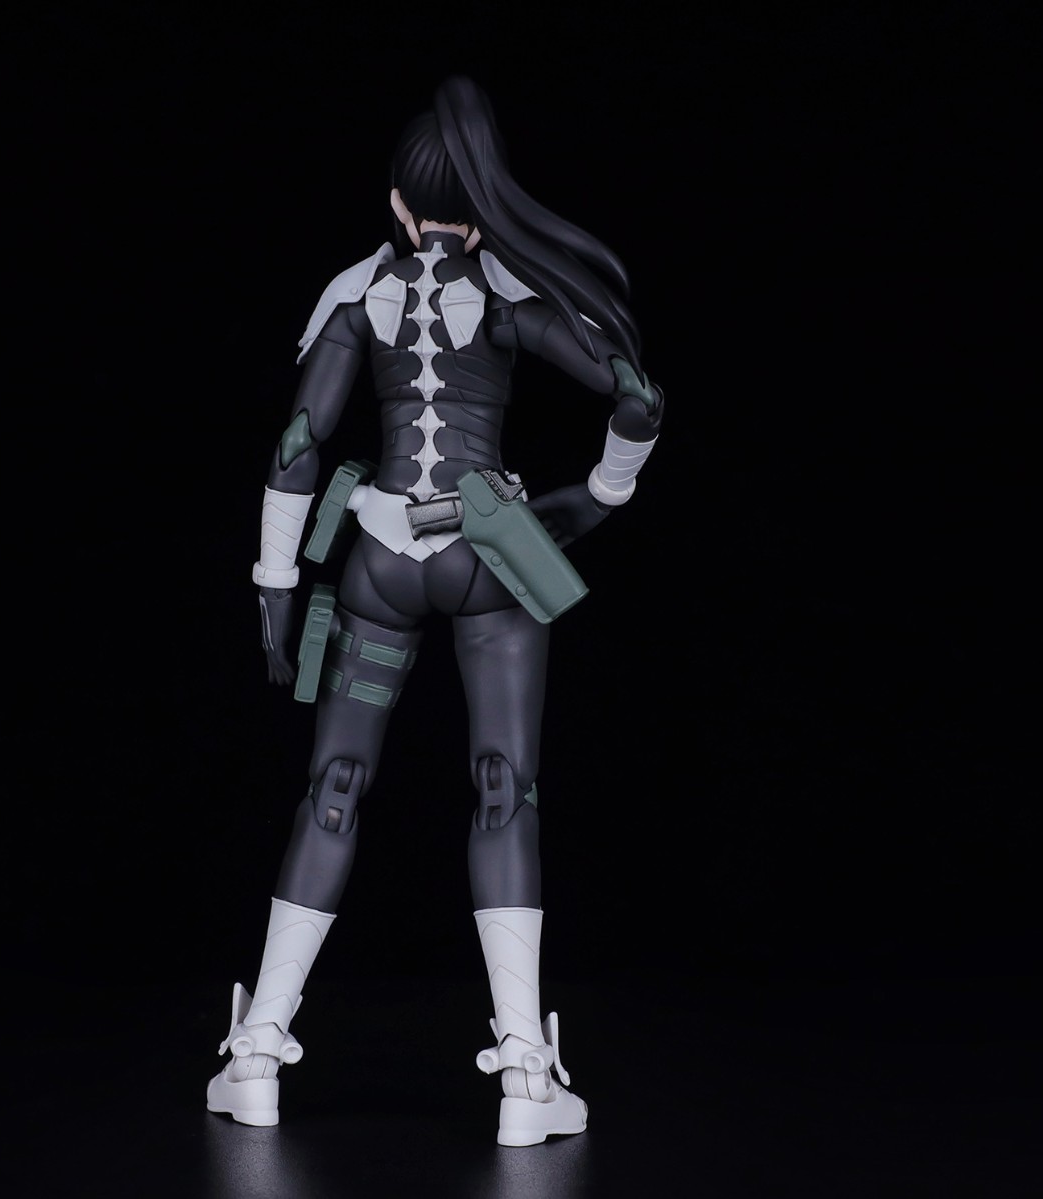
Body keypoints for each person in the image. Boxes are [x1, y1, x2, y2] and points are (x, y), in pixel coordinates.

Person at [206, 75, 664, 1147]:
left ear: (400, 207)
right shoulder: (505, 290)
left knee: (334, 785)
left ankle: (258, 1050)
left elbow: (296, 447)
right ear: (481, 207)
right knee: (506, 787)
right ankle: (524, 1073)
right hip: (487, 557)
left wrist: (273, 584)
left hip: (379, 561)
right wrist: (602, 493)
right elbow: (638, 396)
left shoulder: (356, 290)